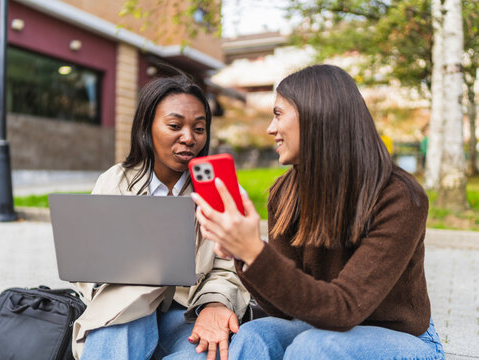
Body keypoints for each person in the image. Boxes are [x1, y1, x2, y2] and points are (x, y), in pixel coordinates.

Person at [191, 64, 445, 360]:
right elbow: (284, 307)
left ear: (316, 115)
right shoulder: (285, 193)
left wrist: (257, 253)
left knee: (313, 347)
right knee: (254, 335)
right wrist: (244, 255)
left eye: (278, 114)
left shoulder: (399, 196)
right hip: (321, 326)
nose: (271, 129)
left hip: (401, 339)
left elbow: (344, 308)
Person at [73, 75, 250, 360]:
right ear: (147, 128)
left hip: (188, 312)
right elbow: (87, 264)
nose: (189, 138)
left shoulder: (222, 191)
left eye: (199, 128)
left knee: (203, 352)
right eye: (174, 126)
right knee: (125, 316)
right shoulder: (115, 182)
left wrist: (216, 303)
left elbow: (230, 269)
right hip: (126, 307)